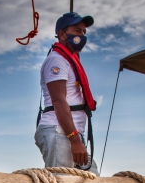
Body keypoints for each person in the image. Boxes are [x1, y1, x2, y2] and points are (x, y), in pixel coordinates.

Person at [35, 12, 99, 174]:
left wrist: (76, 138)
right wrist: (75, 139)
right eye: (77, 31)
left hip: (71, 134)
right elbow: (59, 101)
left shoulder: (70, 59)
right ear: (62, 35)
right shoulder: (57, 60)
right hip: (59, 131)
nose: (82, 35)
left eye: (84, 32)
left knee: (93, 178)